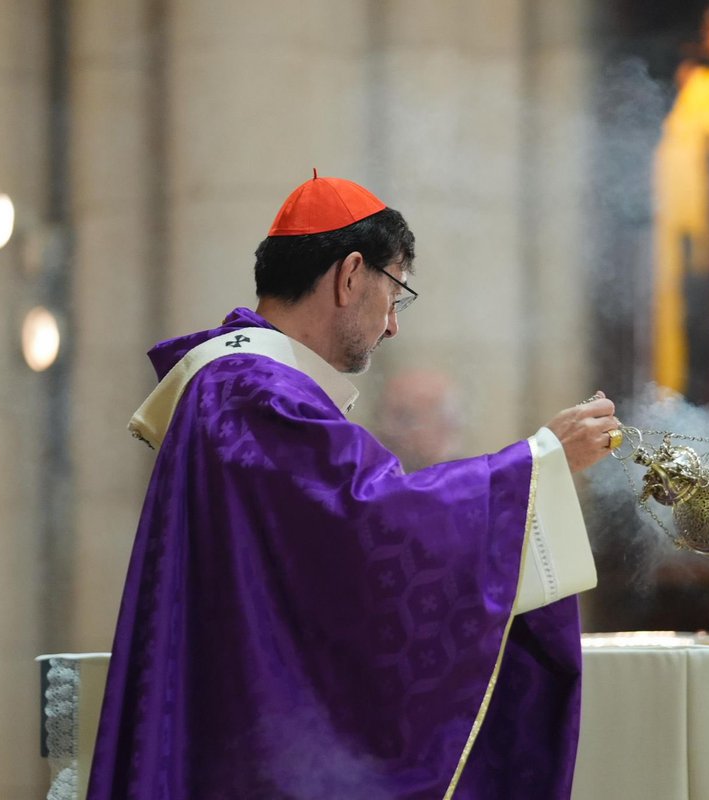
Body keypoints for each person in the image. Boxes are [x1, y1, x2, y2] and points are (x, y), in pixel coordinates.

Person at [87, 173, 621, 800]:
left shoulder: (239, 386)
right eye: (397, 292)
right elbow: (370, 522)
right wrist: (539, 463)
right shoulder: (255, 392)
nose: (393, 324)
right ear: (350, 275)